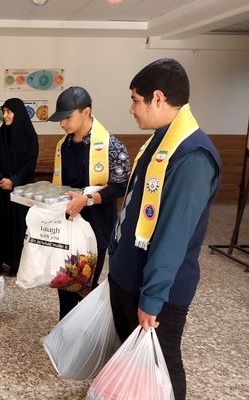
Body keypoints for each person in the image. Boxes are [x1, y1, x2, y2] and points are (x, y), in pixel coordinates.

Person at [108, 58, 221, 399]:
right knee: (135, 362)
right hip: (129, 278)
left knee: (163, 365)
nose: (131, 109)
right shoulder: (158, 141)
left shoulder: (192, 156)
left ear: (158, 98)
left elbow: (173, 236)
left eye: (135, 100)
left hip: (159, 292)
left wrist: (153, 296)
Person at [48, 86, 131, 320]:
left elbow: (121, 184)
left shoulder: (111, 146)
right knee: (64, 280)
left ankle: (83, 333)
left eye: (67, 117)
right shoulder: (63, 145)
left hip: (96, 226)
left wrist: (88, 199)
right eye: (60, 119)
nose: (62, 124)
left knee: (86, 284)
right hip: (69, 225)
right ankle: (64, 329)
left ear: (87, 111)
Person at [0, 98, 39, 277]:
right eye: (4, 112)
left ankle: (16, 262)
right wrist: (1, 178)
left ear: (18, 113)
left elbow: (30, 164)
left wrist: (14, 180)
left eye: (9, 112)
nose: (5, 115)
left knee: (18, 227)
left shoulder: (30, 137)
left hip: (20, 192)